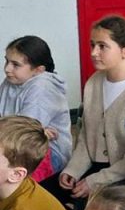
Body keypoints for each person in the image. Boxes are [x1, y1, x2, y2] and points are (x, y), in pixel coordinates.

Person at [53, 16, 125, 210]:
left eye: (102, 46)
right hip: (93, 167)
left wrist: (96, 180)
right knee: (47, 194)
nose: (94, 52)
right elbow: (86, 136)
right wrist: (73, 169)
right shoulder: (94, 82)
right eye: (92, 45)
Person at [0, 35, 72, 180]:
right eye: (6, 61)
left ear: (38, 70)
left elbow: (24, 136)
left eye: (15, 64)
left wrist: (20, 130)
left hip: (46, 152)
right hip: (10, 143)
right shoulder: (11, 81)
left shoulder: (42, 86)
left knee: (10, 180)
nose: (7, 69)